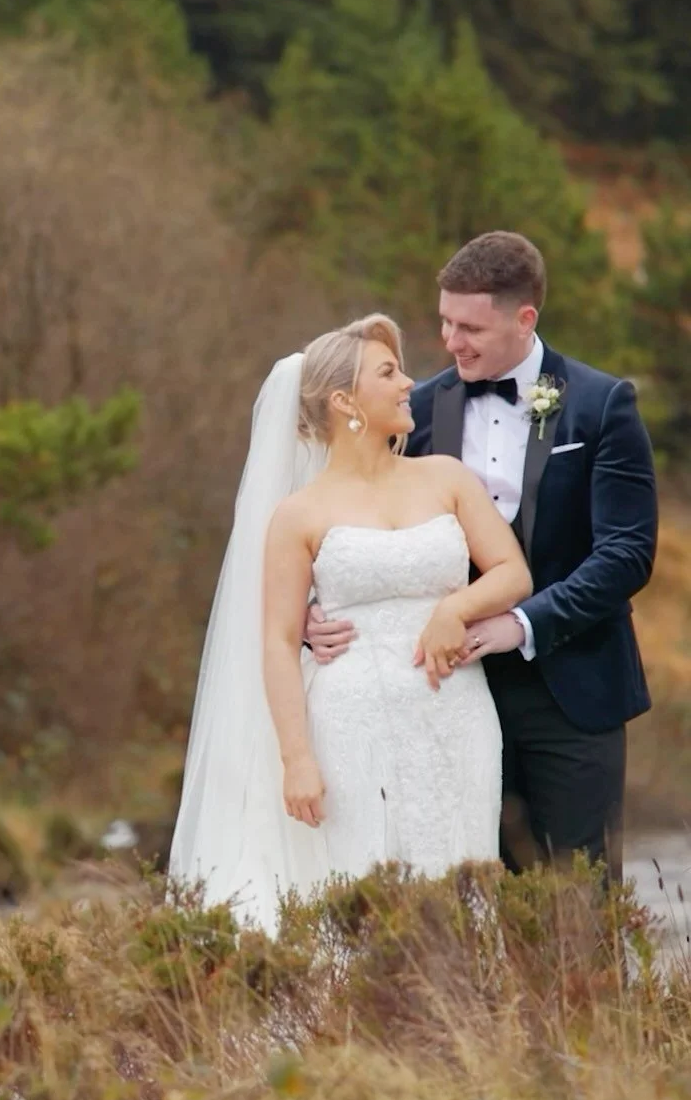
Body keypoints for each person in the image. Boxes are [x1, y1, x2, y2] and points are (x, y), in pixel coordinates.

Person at [307, 233, 658, 881]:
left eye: (469, 327)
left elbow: (627, 552)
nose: (451, 341)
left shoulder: (601, 404)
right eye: (445, 322)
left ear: (524, 319)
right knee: (465, 891)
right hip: (446, 694)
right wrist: (313, 612)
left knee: (580, 898)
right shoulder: (415, 411)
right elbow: (347, 518)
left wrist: (522, 624)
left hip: (573, 688)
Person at [169, 313, 531, 934]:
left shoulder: (445, 477)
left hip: (455, 717)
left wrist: (454, 608)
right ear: (344, 402)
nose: (409, 384)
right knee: (363, 894)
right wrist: (297, 759)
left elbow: (512, 573)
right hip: (350, 726)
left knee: (462, 882)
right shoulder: (298, 514)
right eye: (389, 373)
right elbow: (279, 641)